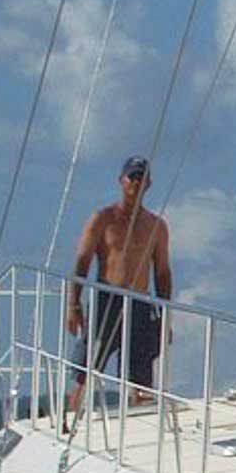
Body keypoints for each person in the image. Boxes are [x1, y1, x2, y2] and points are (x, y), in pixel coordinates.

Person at [65, 155, 172, 420]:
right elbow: (82, 261)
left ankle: (141, 420)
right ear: (121, 180)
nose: (136, 181)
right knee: (87, 367)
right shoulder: (103, 219)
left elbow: (162, 271)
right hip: (107, 299)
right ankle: (72, 418)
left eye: (141, 177)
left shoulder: (156, 226)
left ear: (148, 183)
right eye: (132, 176)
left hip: (139, 302)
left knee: (141, 367)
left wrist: (166, 315)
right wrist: (73, 304)